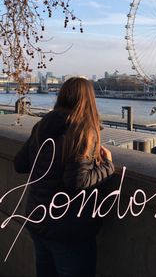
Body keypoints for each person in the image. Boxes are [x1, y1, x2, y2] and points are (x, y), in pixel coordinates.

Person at [14, 77, 115, 277]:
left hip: (38, 220)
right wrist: (108, 166)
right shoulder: (83, 130)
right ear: (89, 99)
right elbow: (78, 180)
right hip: (67, 230)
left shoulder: (42, 125)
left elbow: (20, 164)